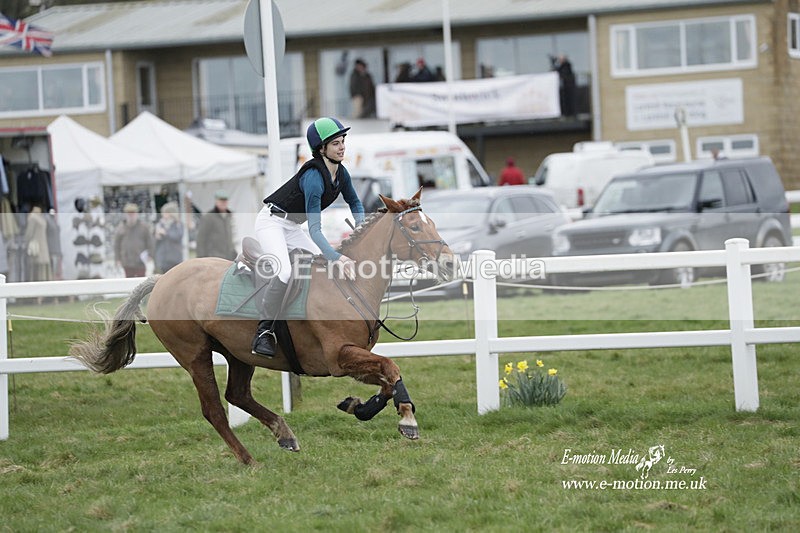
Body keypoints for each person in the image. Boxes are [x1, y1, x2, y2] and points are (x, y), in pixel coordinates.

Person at [251, 116, 365, 357]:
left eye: (343, 140)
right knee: (284, 271)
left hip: (291, 226)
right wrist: (337, 257)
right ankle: (264, 331)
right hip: (271, 222)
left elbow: (355, 202)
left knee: (321, 267)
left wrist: (361, 228)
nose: (342, 146)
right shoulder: (313, 177)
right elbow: (315, 230)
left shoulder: (341, 173)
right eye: (335, 143)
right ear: (321, 149)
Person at [113, 203, 154, 278]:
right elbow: (116, 245)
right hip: (126, 262)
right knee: (128, 284)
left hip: (140, 262)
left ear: (137, 214)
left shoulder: (143, 227)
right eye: (129, 214)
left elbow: (150, 242)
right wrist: (117, 259)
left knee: (141, 283)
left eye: (133, 214)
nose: (131, 216)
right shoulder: (121, 228)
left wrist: (150, 255)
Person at [196, 190, 236, 260]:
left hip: (228, 257)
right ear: (216, 201)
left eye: (225, 201)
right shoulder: (209, 217)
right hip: (214, 257)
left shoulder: (228, 216)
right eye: (221, 201)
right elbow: (201, 239)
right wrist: (201, 258)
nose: (223, 203)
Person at [153, 201, 184, 274]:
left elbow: (177, 236)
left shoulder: (177, 224)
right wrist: (157, 236)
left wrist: (165, 232)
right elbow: (155, 242)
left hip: (175, 258)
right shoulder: (160, 224)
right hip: (163, 259)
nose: (163, 215)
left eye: (165, 212)